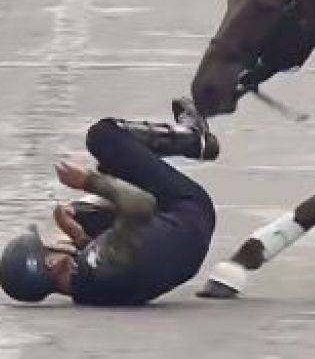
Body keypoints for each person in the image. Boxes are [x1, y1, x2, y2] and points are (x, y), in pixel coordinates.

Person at [0, 99, 218, 305]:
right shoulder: (102, 264)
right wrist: (89, 181)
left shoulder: (87, 291)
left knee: (84, 214)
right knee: (103, 137)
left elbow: (110, 260)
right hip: (190, 210)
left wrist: (78, 236)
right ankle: (193, 138)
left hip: (186, 255)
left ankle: (116, 174)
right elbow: (141, 204)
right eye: (47, 245)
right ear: (52, 262)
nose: (54, 240)